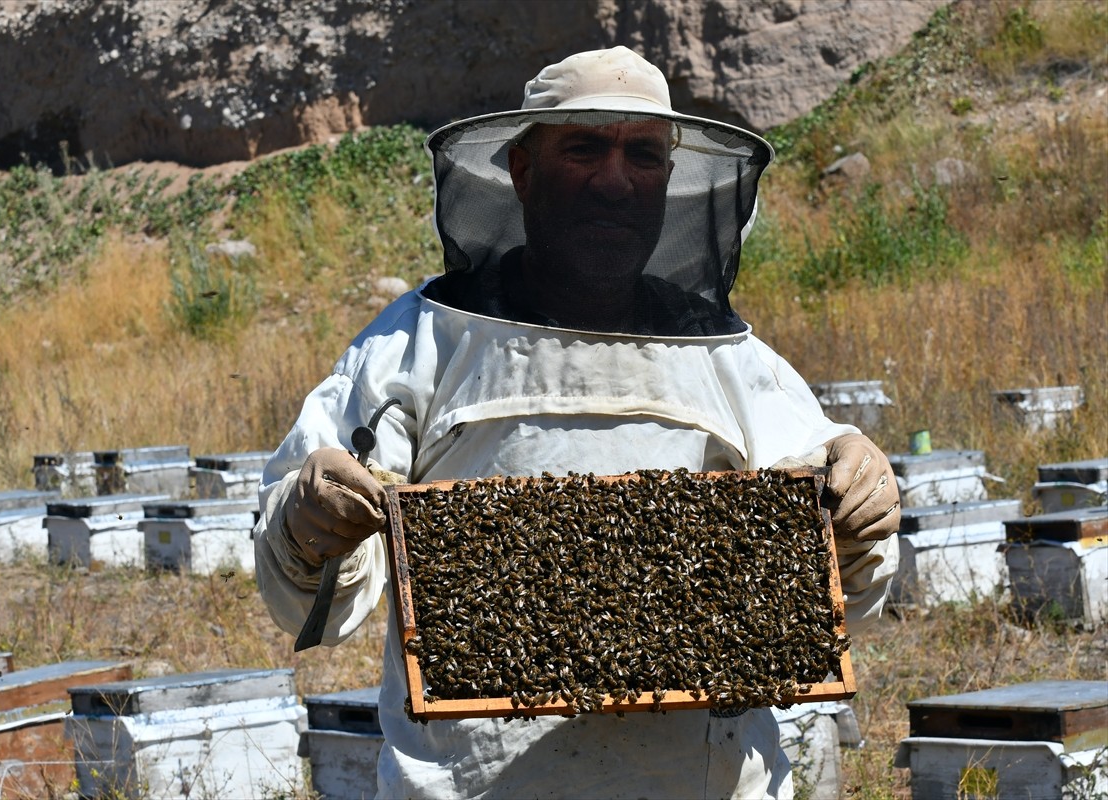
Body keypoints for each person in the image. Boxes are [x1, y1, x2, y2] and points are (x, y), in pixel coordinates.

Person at [254, 46, 900, 799]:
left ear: (671, 181)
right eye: (585, 148)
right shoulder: (418, 345)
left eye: (644, 156)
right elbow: (307, 605)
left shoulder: (740, 366)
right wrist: (308, 521)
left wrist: (857, 513)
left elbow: (839, 602)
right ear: (522, 173)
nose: (615, 181)